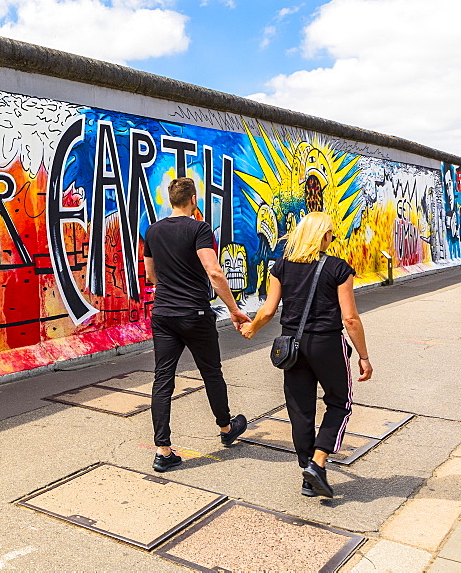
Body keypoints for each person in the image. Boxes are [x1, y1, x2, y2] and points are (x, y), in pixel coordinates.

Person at [240, 211, 372, 498]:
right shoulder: (339, 268)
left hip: (292, 344)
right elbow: (350, 319)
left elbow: (268, 310)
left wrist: (252, 328)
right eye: (331, 233)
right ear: (322, 236)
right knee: (339, 402)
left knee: (300, 410)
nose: (332, 238)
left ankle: (307, 474)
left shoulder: (281, 267)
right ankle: (318, 463)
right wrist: (363, 356)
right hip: (327, 344)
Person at [143, 177, 252, 473]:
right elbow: (214, 271)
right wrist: (233, 309)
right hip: (194, 313)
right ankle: (227, 427)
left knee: (162, 379)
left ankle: (163, 450)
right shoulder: (199, 228)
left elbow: (151, 274)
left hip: (163, 313)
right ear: (193, 199)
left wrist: (172, 285)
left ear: (170, 200)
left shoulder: (152, 230)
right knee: (211, 373)